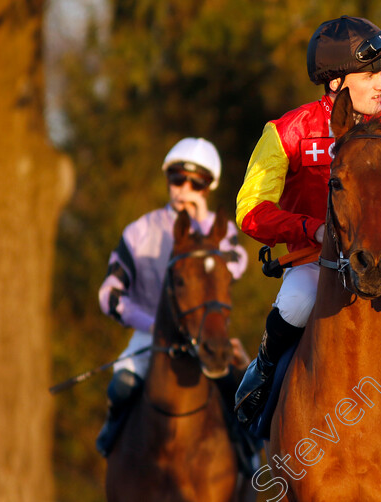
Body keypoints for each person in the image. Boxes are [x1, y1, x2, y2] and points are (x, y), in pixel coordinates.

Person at [234, 15, 381, 424]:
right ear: (336, 82)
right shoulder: (286, 131)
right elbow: (250, 209)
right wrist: (310, 229)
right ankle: (262, 381)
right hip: (310, 265)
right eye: (370, 74)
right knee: (296, 304)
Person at [96, 137, 249, 457]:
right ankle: (111, 444)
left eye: (198, 183)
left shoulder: (221, 231)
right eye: (179, 178)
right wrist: (153, 324)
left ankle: (249, 452)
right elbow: (109, 294)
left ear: (207, 190)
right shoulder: (138, 231)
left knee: (240, 390)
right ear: (168, 179)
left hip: (206, 333)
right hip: (150, 335)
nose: (185, 189)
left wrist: (203, 220)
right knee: (120, 387)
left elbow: (234, 266)